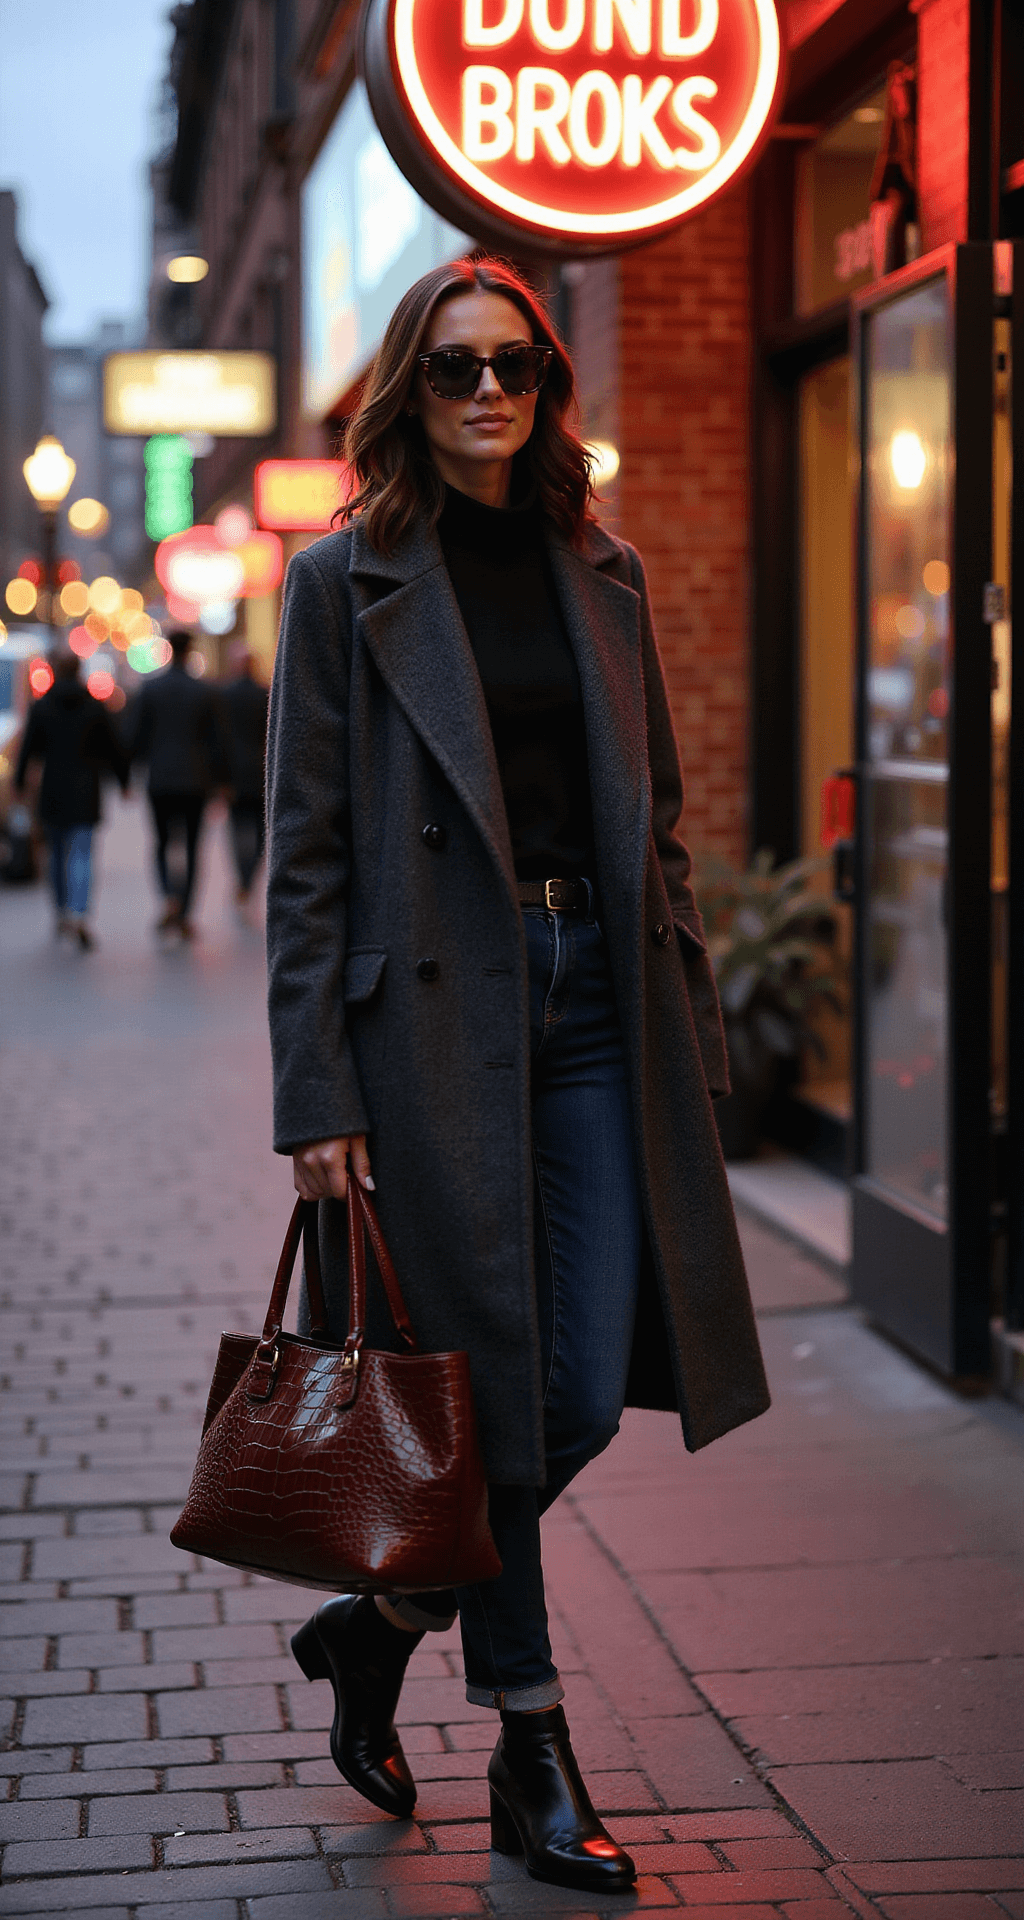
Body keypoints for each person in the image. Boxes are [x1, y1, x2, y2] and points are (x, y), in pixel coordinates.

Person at [265, 258, 770, 1896]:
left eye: (514, 366)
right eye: (453, 369)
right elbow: (306, 860)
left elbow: (658, 824)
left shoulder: (603, 571)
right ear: (406, 394)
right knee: (488, 1388)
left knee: (575, 1387)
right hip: (428, 1032)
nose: (486, 392)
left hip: (596, 1007)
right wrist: (314, 1094)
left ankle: (382, 1623)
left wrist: (695, 1030)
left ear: (548, 386)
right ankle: (530, 1744)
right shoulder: (339, 582)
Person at [14, 649, 128, 951]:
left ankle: (62, 910)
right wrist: (124, 781)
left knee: (55, 854)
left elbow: (28, 749)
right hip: (85, 789)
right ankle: (79, 912)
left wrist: (19, 783)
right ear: (79, 670)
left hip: (52, 789)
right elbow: (114, 747)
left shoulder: (42, 707)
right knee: (82, 854)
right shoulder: (94, 707)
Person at [125, 629, 224, 938]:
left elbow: (135, 736)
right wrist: (222, 781)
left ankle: (169, 895)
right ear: (190, 650)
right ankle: (185, 910)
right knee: (194, 846)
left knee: (162, 842)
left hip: (161, 779)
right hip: (196, 780)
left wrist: (126, 776)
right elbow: (217, 740)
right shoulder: (204, 691)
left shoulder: (151, 689)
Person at [219, 648, 269, 904]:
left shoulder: (224, 695)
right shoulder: (264, 694)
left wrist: (220, 778)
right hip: (261, 773)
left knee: (237, 830)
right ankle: (248, 877)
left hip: (234, 774)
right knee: (261, 831)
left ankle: (243, 876)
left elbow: (218, 739)